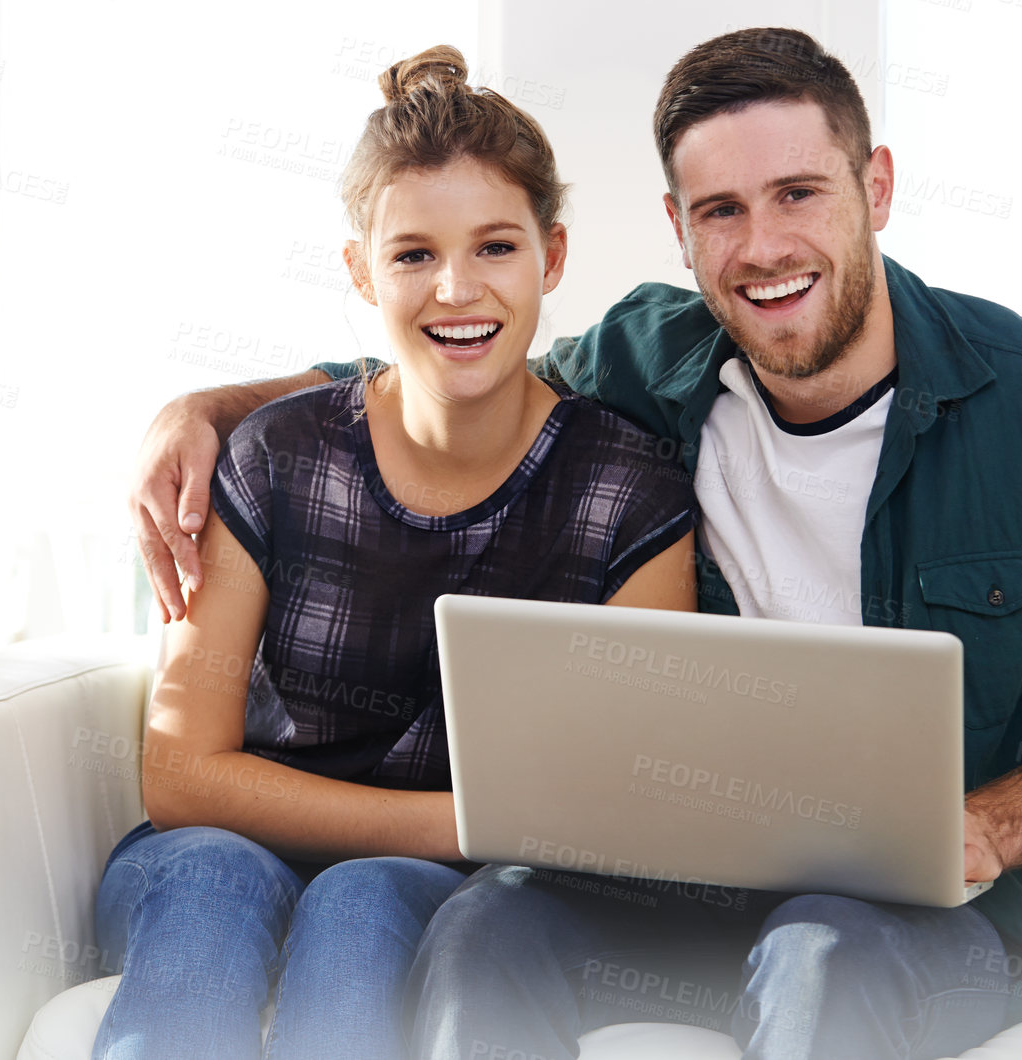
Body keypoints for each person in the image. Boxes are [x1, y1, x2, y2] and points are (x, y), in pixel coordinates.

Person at [127, 26, 1022, 1060]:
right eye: (719, 210)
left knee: (822, 951)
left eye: (798, 193)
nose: (762, 248)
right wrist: (210, 408)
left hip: (936, 919)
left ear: (876, 187)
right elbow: (450, 370)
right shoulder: (645, 360)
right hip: (676, 893)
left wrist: (990, 823)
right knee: (484, 928)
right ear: (676, 227)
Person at [96, 46, 698, 1060]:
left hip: (433, 882)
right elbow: (182, 775)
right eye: (412, 254)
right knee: (211, 883)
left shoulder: (627, 490)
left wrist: (439, 845)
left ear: (551, 257)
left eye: (495, 247)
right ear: (358, 269)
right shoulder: (275, 455)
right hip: (224, 852)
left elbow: (618, 800)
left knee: (361, 904)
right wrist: (459, 824)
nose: (454, 289)